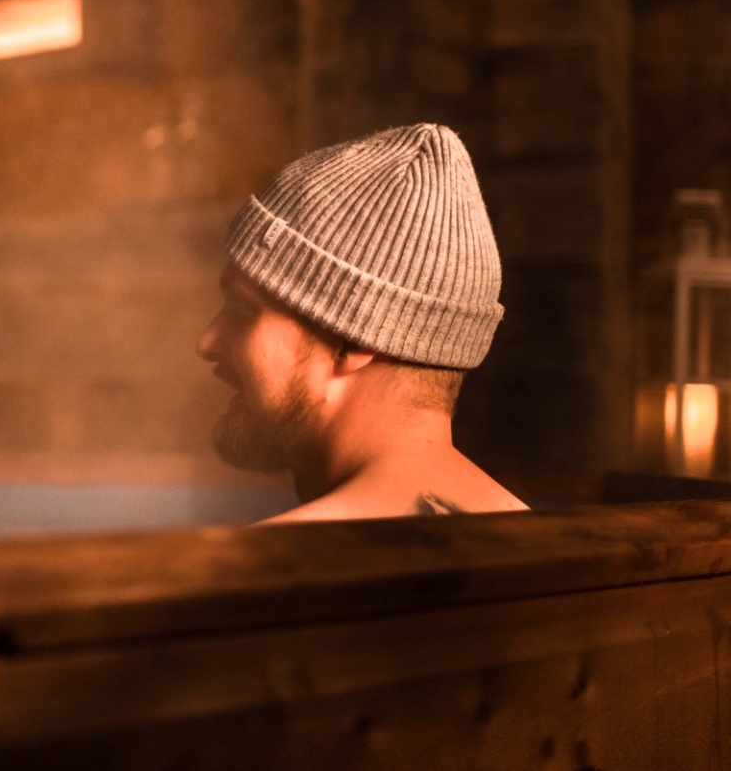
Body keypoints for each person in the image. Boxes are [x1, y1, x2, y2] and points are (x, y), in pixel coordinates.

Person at [196, 123, 528, 523]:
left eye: (245, 309)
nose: (208, 341)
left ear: (351, 341)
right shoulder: (562, 550)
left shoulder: (272, 569)